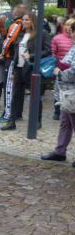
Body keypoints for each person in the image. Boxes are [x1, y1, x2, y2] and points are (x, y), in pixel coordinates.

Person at [0, 13, 51, 131]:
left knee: (35, 96)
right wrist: (13, 70)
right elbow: (16, 53)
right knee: (15, 96)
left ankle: (37, 121)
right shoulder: (21, 34)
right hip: (19, 68)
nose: (24, 21)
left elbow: (48, 51)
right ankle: (12, 122)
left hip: (32, 69)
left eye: (27, 20)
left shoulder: (42, 33)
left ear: (33, 21)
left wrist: (31, 55)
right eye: (23, 19)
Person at [42, 21, 75, 165]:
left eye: (72, 31)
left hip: (72, 91)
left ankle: (60, 151)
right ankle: (60, 151)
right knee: (65, 122)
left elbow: (73, 70)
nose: (70, 34)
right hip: (67, 91)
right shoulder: (74, 46)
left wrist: (60, 72)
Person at [50, 18, 74, 121]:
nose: (68, 28)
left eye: (71, 26)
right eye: (67, 25)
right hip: (60, 69)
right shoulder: (57, 38)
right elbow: (53, 53)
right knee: (58, 90)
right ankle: (57, 111)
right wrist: (57, 65)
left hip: (70, 72)